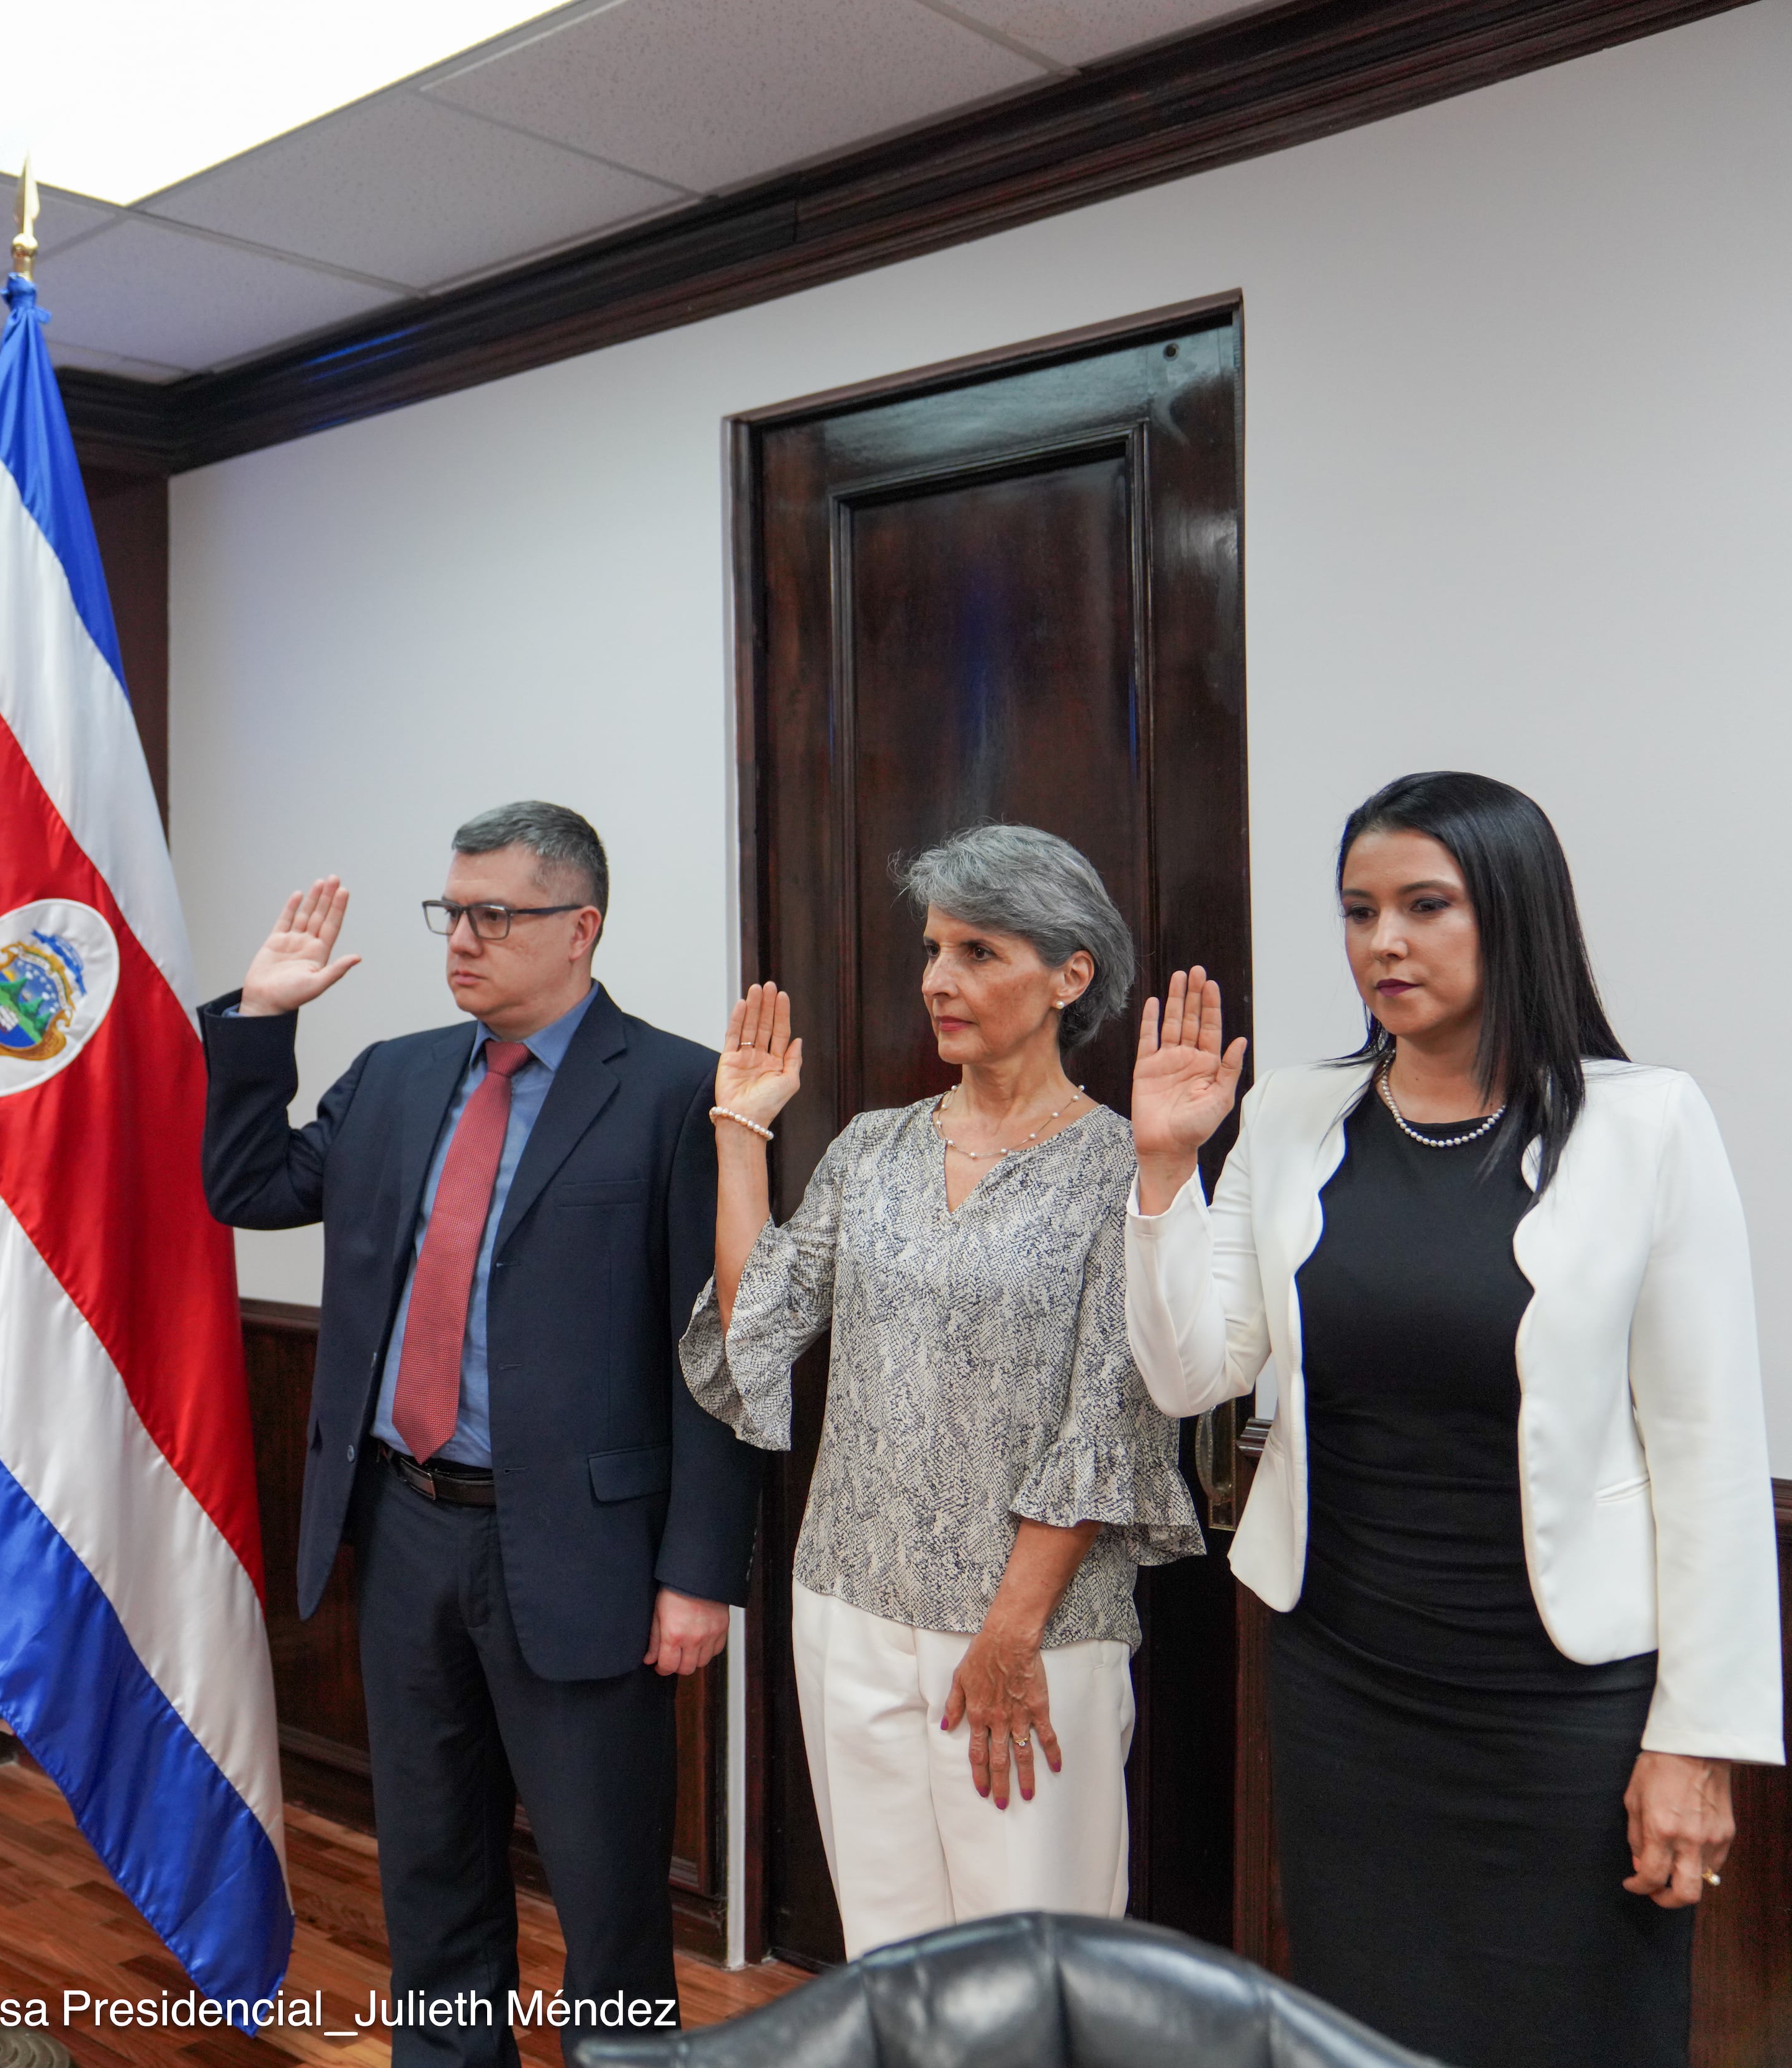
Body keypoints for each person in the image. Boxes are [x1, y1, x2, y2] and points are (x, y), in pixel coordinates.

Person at [1124, 771, 1781, 2068]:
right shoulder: (1294, 1113)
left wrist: (1696, 1740)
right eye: (1358, 909)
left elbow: (1710, 1447)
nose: (1384, 941)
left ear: (1512, 911)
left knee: (1579, 2025)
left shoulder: (1644, 1124)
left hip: (1565, 1699)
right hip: (1346, 1678)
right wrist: (1164, 1168)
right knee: (1370, 2027)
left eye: (1426, 905)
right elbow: (1189, 1372)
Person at [200, 801, 757, 2068]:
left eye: (495, 915)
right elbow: (248, 1185)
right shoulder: (396, 1075)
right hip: (406, 1527)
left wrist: (698, 1571)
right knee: (432, 1870)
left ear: (581, 928)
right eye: (451, 913)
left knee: (608, 1895)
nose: (462, 939)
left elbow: (719, 1349)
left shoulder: (676, 1090)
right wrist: (262, 1017)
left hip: (584, 1553)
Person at [679, 825, 1199, 1958]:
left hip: (1031, 1630)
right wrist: (741, 1129)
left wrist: (1008, 1636)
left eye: (978, 951)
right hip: (846, 1603)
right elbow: (757, 1327)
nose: (937, 979)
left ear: (1070, 976)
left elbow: (1109, 1423)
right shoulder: (872, 1148)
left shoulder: (1126, 1166)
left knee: (1029, 1964)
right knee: (890, 1954)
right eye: (932, 949)